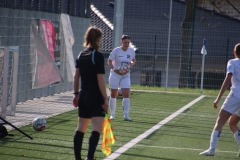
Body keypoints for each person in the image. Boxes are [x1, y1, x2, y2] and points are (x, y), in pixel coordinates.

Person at [72, 26, 108, 160]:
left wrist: (76, 94)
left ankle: (78, 158)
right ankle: (90, 157)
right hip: (94, 96)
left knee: (80, 128)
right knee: (97, 128)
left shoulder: (81, 54)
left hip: (83, 95)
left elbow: (76, 77)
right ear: (98, 40)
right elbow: (100, 79)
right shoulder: (97, 56)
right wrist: (105, 98)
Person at [200, 43, 240, 156]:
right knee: (232, 122)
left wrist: (218, 98)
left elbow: (228, 79)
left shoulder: (232, 62)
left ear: (234, 52)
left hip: (236, 95)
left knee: (220, 121)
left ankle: (212, 149)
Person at [107, 35, 136, 121]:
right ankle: (112, 114)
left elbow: (133, 60)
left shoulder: (131, 51)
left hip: (126, 75)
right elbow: (109, 61)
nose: (126, 44)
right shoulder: (116, 51)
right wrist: (114, 69)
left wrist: (130, 65)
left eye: (128, 42)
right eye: (125, 42)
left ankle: (126, 115)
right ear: (121, 42)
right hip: (115, 74)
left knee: (126, 94)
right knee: (113, 94)